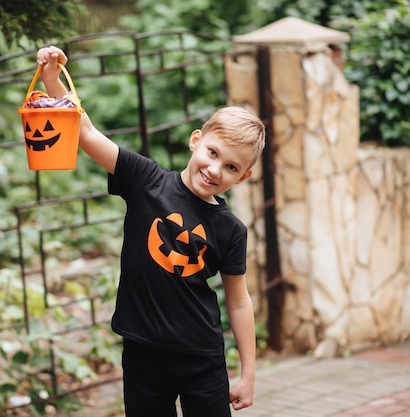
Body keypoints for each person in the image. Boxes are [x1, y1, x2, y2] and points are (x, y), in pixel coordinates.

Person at [36, 46, 265, 417]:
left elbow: (238, 301)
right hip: (142, 353)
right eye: (212, 153)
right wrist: (51, 79)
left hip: (201, 358)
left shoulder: (230, 229)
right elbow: (87, 132)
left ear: (243, 176)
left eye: (231, 167)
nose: (215, 169)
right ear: (196, 140)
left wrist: (248, 375)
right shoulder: (147, 180)